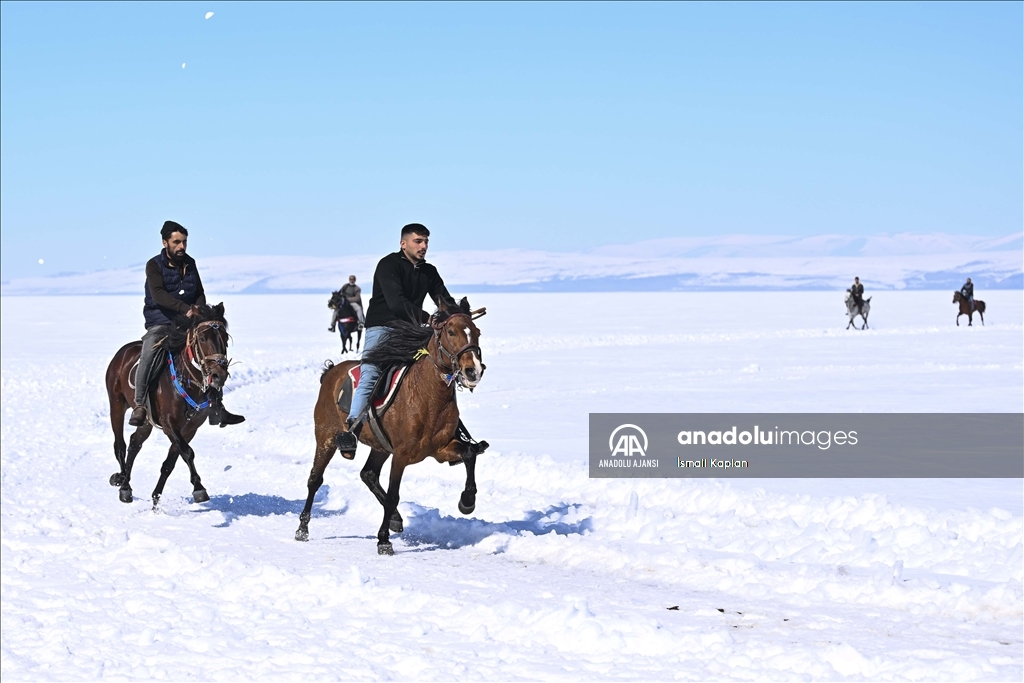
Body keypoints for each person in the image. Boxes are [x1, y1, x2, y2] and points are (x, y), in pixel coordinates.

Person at [334, 223, 457, 456]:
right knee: (371, 371)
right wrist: (428, 318)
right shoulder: (388, 265)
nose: (423, 246)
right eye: (418, 241)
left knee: (440, 368)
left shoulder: (429, 271)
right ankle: (351, 427)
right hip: (383, 327)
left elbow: (444, 299)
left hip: (413, 330)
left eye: (426, 242)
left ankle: (452, 431)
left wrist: (458, 315)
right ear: (403, 243)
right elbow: (396, 303)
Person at [129, 221, 245, 428]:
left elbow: (199, 291)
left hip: (188, 322)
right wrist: (185, 309)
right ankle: (140, 404)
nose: (181, 246)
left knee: (210, 352)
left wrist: (200, 314)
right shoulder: (154, 265)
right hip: (161, 321)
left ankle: (217, 406)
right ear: (165, 243)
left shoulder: (190, 263)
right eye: (176, 242)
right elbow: (159, 295)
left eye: (184, 242)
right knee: (148, 352)